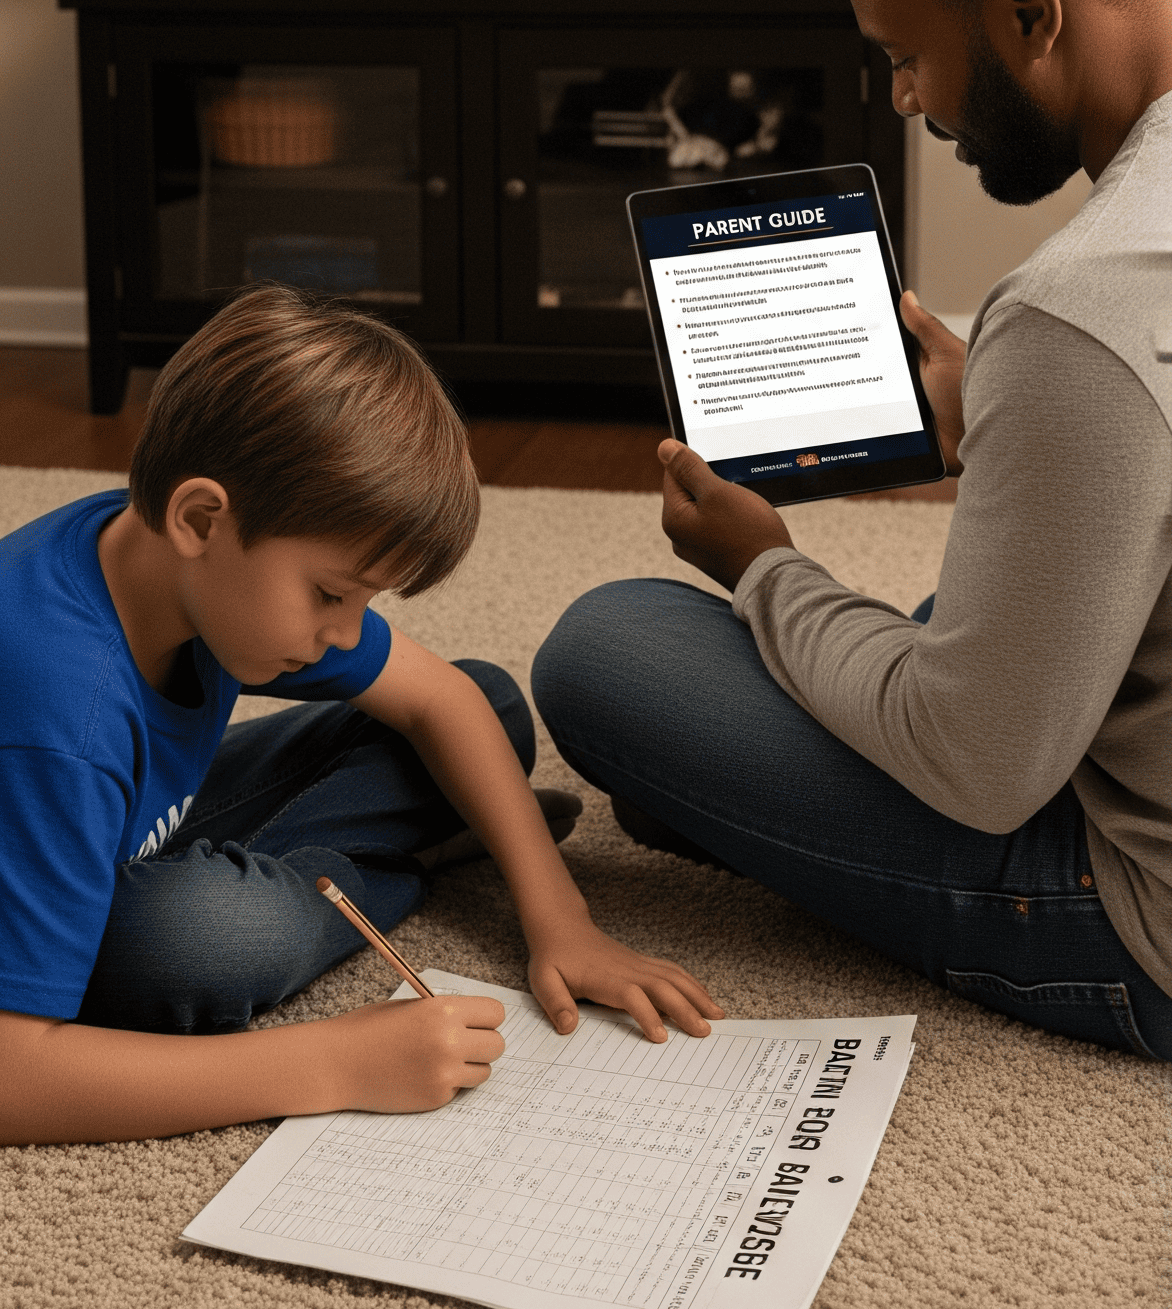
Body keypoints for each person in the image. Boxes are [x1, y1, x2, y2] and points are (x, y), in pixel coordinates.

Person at [533, 0, 1172, 1070]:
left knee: (609, 647)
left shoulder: (1086, 302)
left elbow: (979, 762)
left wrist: (763, 563)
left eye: (907, 57)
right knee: (927, 623)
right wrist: (1009, 428)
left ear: (1027, 11)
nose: (908, 100)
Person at [0, 287, 720, 1146]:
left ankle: (400, 848)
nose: (347, 632)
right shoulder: (59, 722)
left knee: (485, 704)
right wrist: (335, 1062)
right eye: (330, 594)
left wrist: (562, 922)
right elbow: (14, 1076)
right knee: (206, 940)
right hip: (56, 858)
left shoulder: (165, 560)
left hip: (107, 829)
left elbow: (438, 696)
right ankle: (406, 861)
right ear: (200, 519)